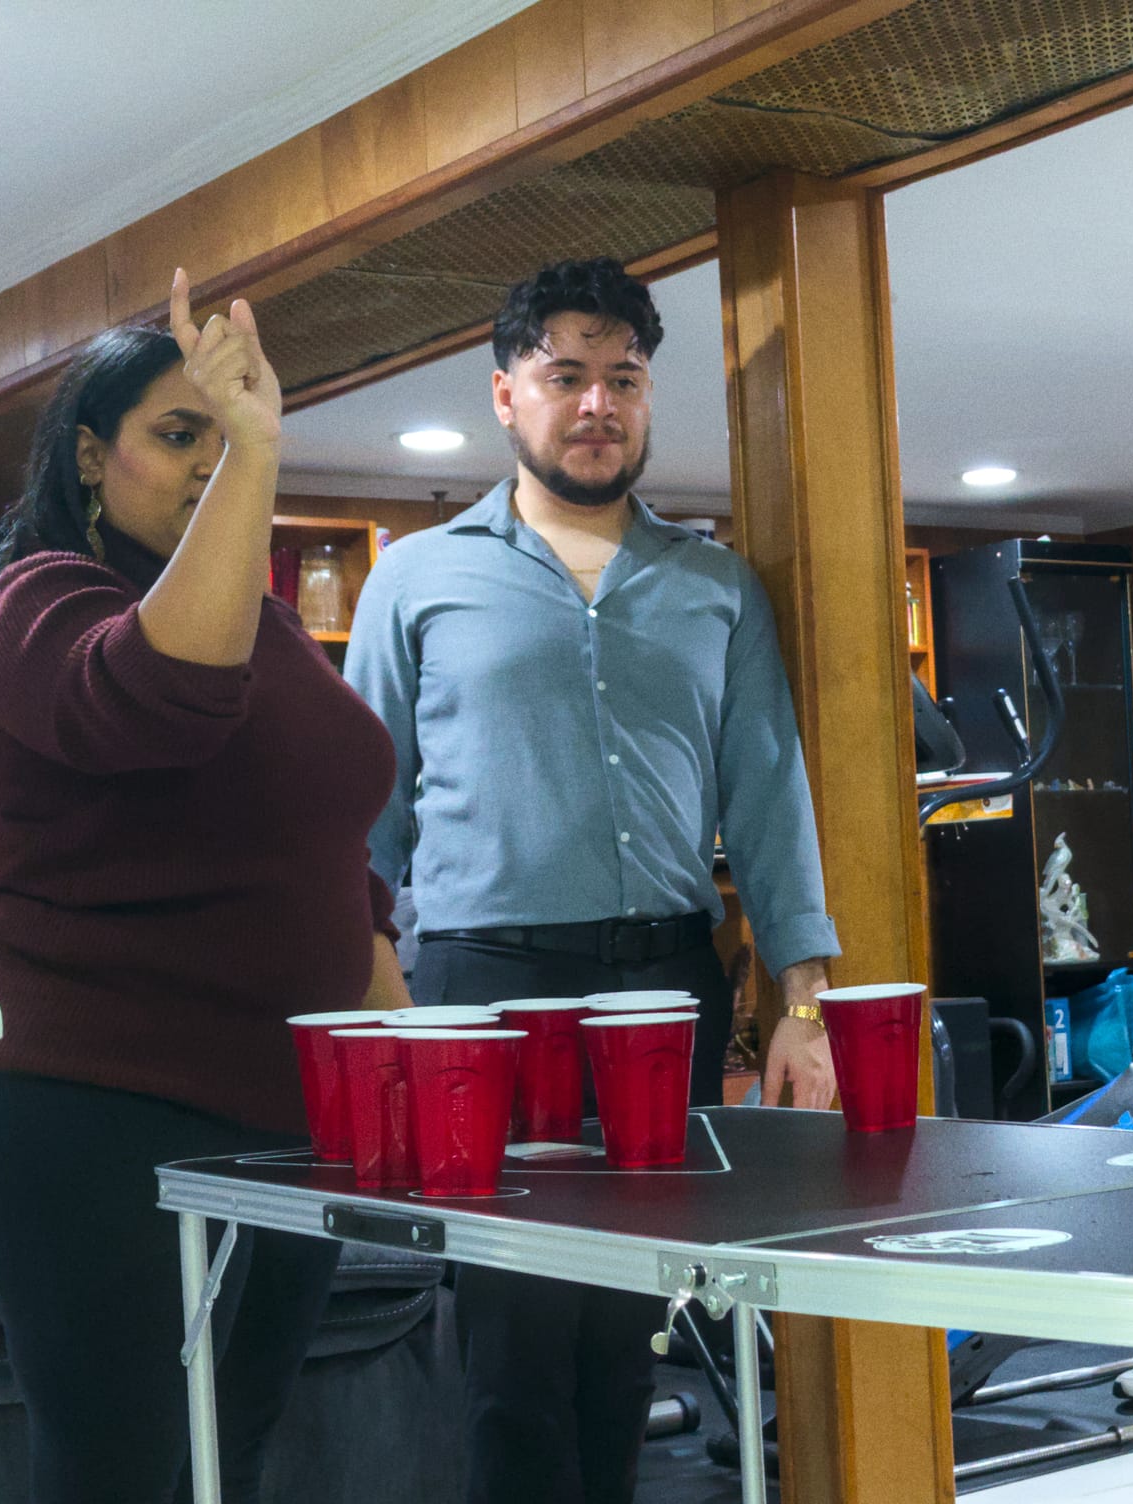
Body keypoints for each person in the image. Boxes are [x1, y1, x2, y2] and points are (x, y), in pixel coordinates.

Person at [346, 256, 840, 1504]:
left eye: (622, 377)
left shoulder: (714, 586)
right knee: (512, 1333)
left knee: (625, 1321)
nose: (596, 403)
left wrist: (804, 1001)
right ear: (505, 393)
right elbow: (363, 824)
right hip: (481, 987)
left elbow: (770, 796)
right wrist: (384, 1001)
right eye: (565, 375)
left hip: (662, 985)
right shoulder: (415, 577)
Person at [0, 272, 412, 1503]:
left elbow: (339, 857)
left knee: (236, 1452)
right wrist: (260, 455)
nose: (207, 465)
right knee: (124, 1469)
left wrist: (405, 1059)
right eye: (180, 435)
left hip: (293, 1111)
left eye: (224, 442)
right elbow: (162, 700)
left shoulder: (271, 630)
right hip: (102, 1114)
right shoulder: (38, 600)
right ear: (87, 454)